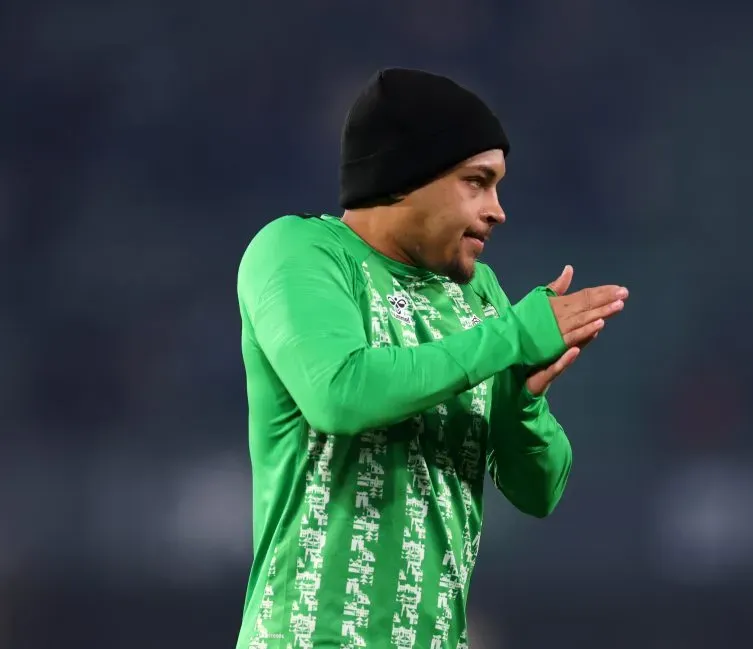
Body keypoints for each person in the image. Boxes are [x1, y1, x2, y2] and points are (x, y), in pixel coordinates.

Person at [234, 68, 628, 649]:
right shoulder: (300, 252)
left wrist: (522, 400)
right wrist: (510, 337)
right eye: (477, 181)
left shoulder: (479, 296)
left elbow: (538, 492)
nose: (498, 210)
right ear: (405, 177)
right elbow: (339, 394)